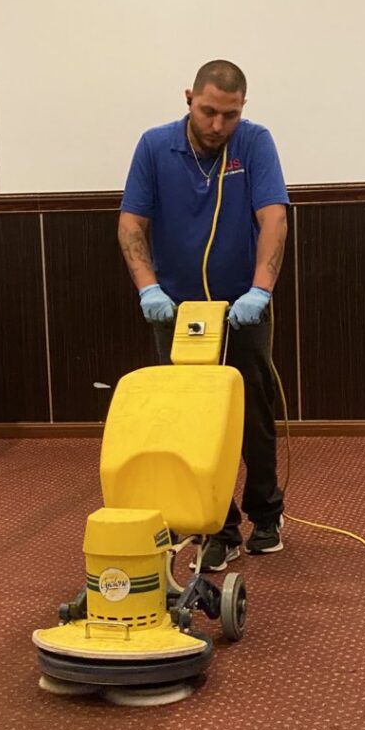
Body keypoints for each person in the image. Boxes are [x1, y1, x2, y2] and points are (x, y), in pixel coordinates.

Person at [118, 59, 289, 572]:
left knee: (250, 415)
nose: (218, 126)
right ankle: (219, 526)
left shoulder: (254, 144)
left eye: (229, 115)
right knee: (189, 422)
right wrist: (148, 289)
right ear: (189, 97)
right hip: (175, 310)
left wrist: (260, 291)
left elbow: (274, 217)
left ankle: (266, 515)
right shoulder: (154, 146)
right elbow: (131, 223)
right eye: (209, 111)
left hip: (242, 307)